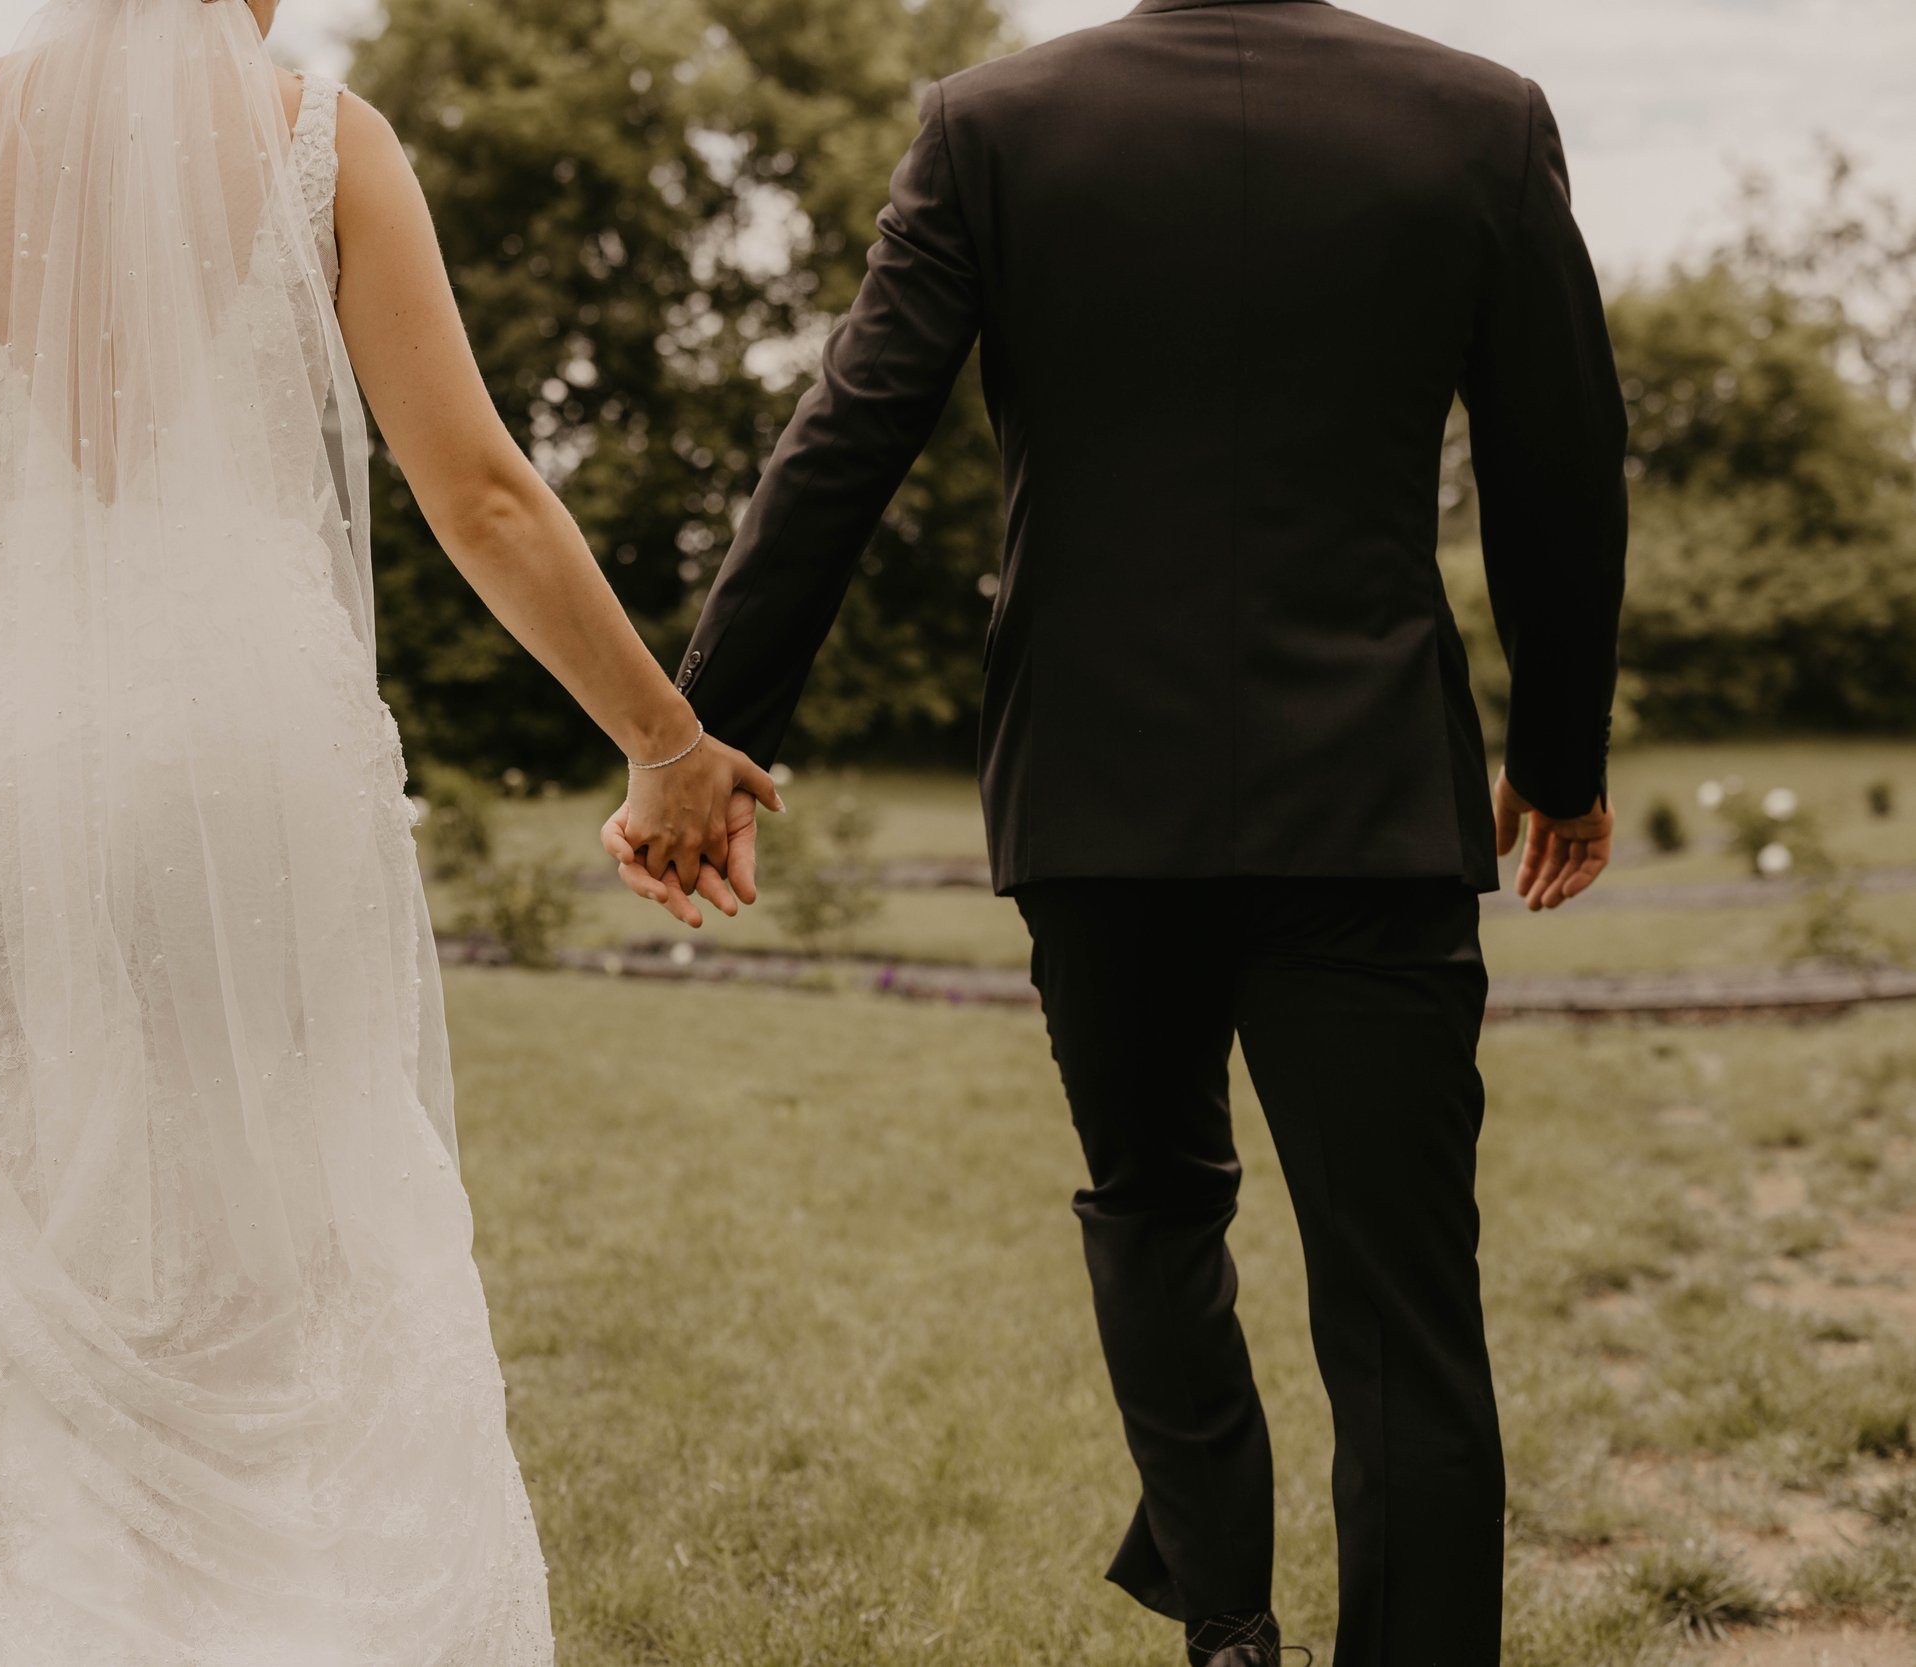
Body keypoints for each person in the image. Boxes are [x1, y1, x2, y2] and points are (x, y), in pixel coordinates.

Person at [0, 1, 777, 1661]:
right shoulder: (321, 138)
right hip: (242, 745)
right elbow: (483, 496)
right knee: (285, 1219)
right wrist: (666, 741)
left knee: (33, 1201)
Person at [606, 2, 1627, 1663]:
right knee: (1404, 1310)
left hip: (1095, 803)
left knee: (1154, 1210)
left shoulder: (997, 126)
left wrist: (708, 733)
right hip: (1365, 805)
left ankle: (1226, 1631)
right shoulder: (1479, 123)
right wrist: (1563, 756)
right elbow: (1563, 460)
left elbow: (846, 438)